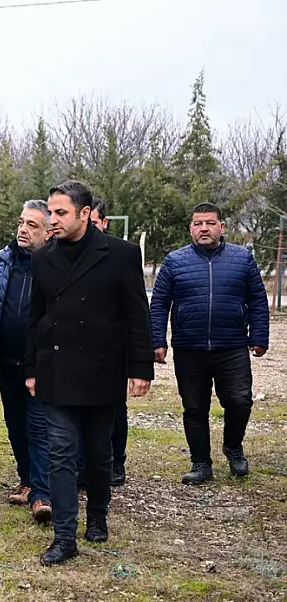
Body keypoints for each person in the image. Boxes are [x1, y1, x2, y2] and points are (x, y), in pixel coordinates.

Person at [25, 180, 153, 565]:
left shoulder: (121, 254)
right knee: (60, 454)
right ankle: (65, 536)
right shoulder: (43, 258)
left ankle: (98, 516)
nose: (53, 220)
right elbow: (35, 318)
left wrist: (140, 367)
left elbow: (136, 315)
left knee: (98, 455)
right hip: (56, 371)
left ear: (85, 214)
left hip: (102, 370)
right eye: (51, 212)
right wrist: (31, 368)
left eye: (61, 213)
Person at [149, 203, 270, 485]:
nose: (204, 228)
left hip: (232, 347)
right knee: (194, 407)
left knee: (240, 401)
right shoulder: (175, 261)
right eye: (198, 223)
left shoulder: (242, 259)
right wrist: (158, 341)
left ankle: (233, 447)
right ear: (191, 228)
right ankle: (201, 462)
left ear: (221, 227)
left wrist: (259, 336)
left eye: (210, 223)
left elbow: (258, 300)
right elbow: (159, 305)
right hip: (190, 348)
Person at [0, 200, 52, 522]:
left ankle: (43, 493)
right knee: (16, 426)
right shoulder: (0, 262)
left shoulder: (54, 263)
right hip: (7, 360)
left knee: (38, 426)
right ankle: (27, 479)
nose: (23, 230)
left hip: (40, 364)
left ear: (47, 231)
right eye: (21, 222)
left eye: (32, 225)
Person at [83, 197, 130, 487]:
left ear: (103, 223)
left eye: (94, 224)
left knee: (113, 410)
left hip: (110, 350)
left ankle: (115, 462)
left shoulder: (119, 256)